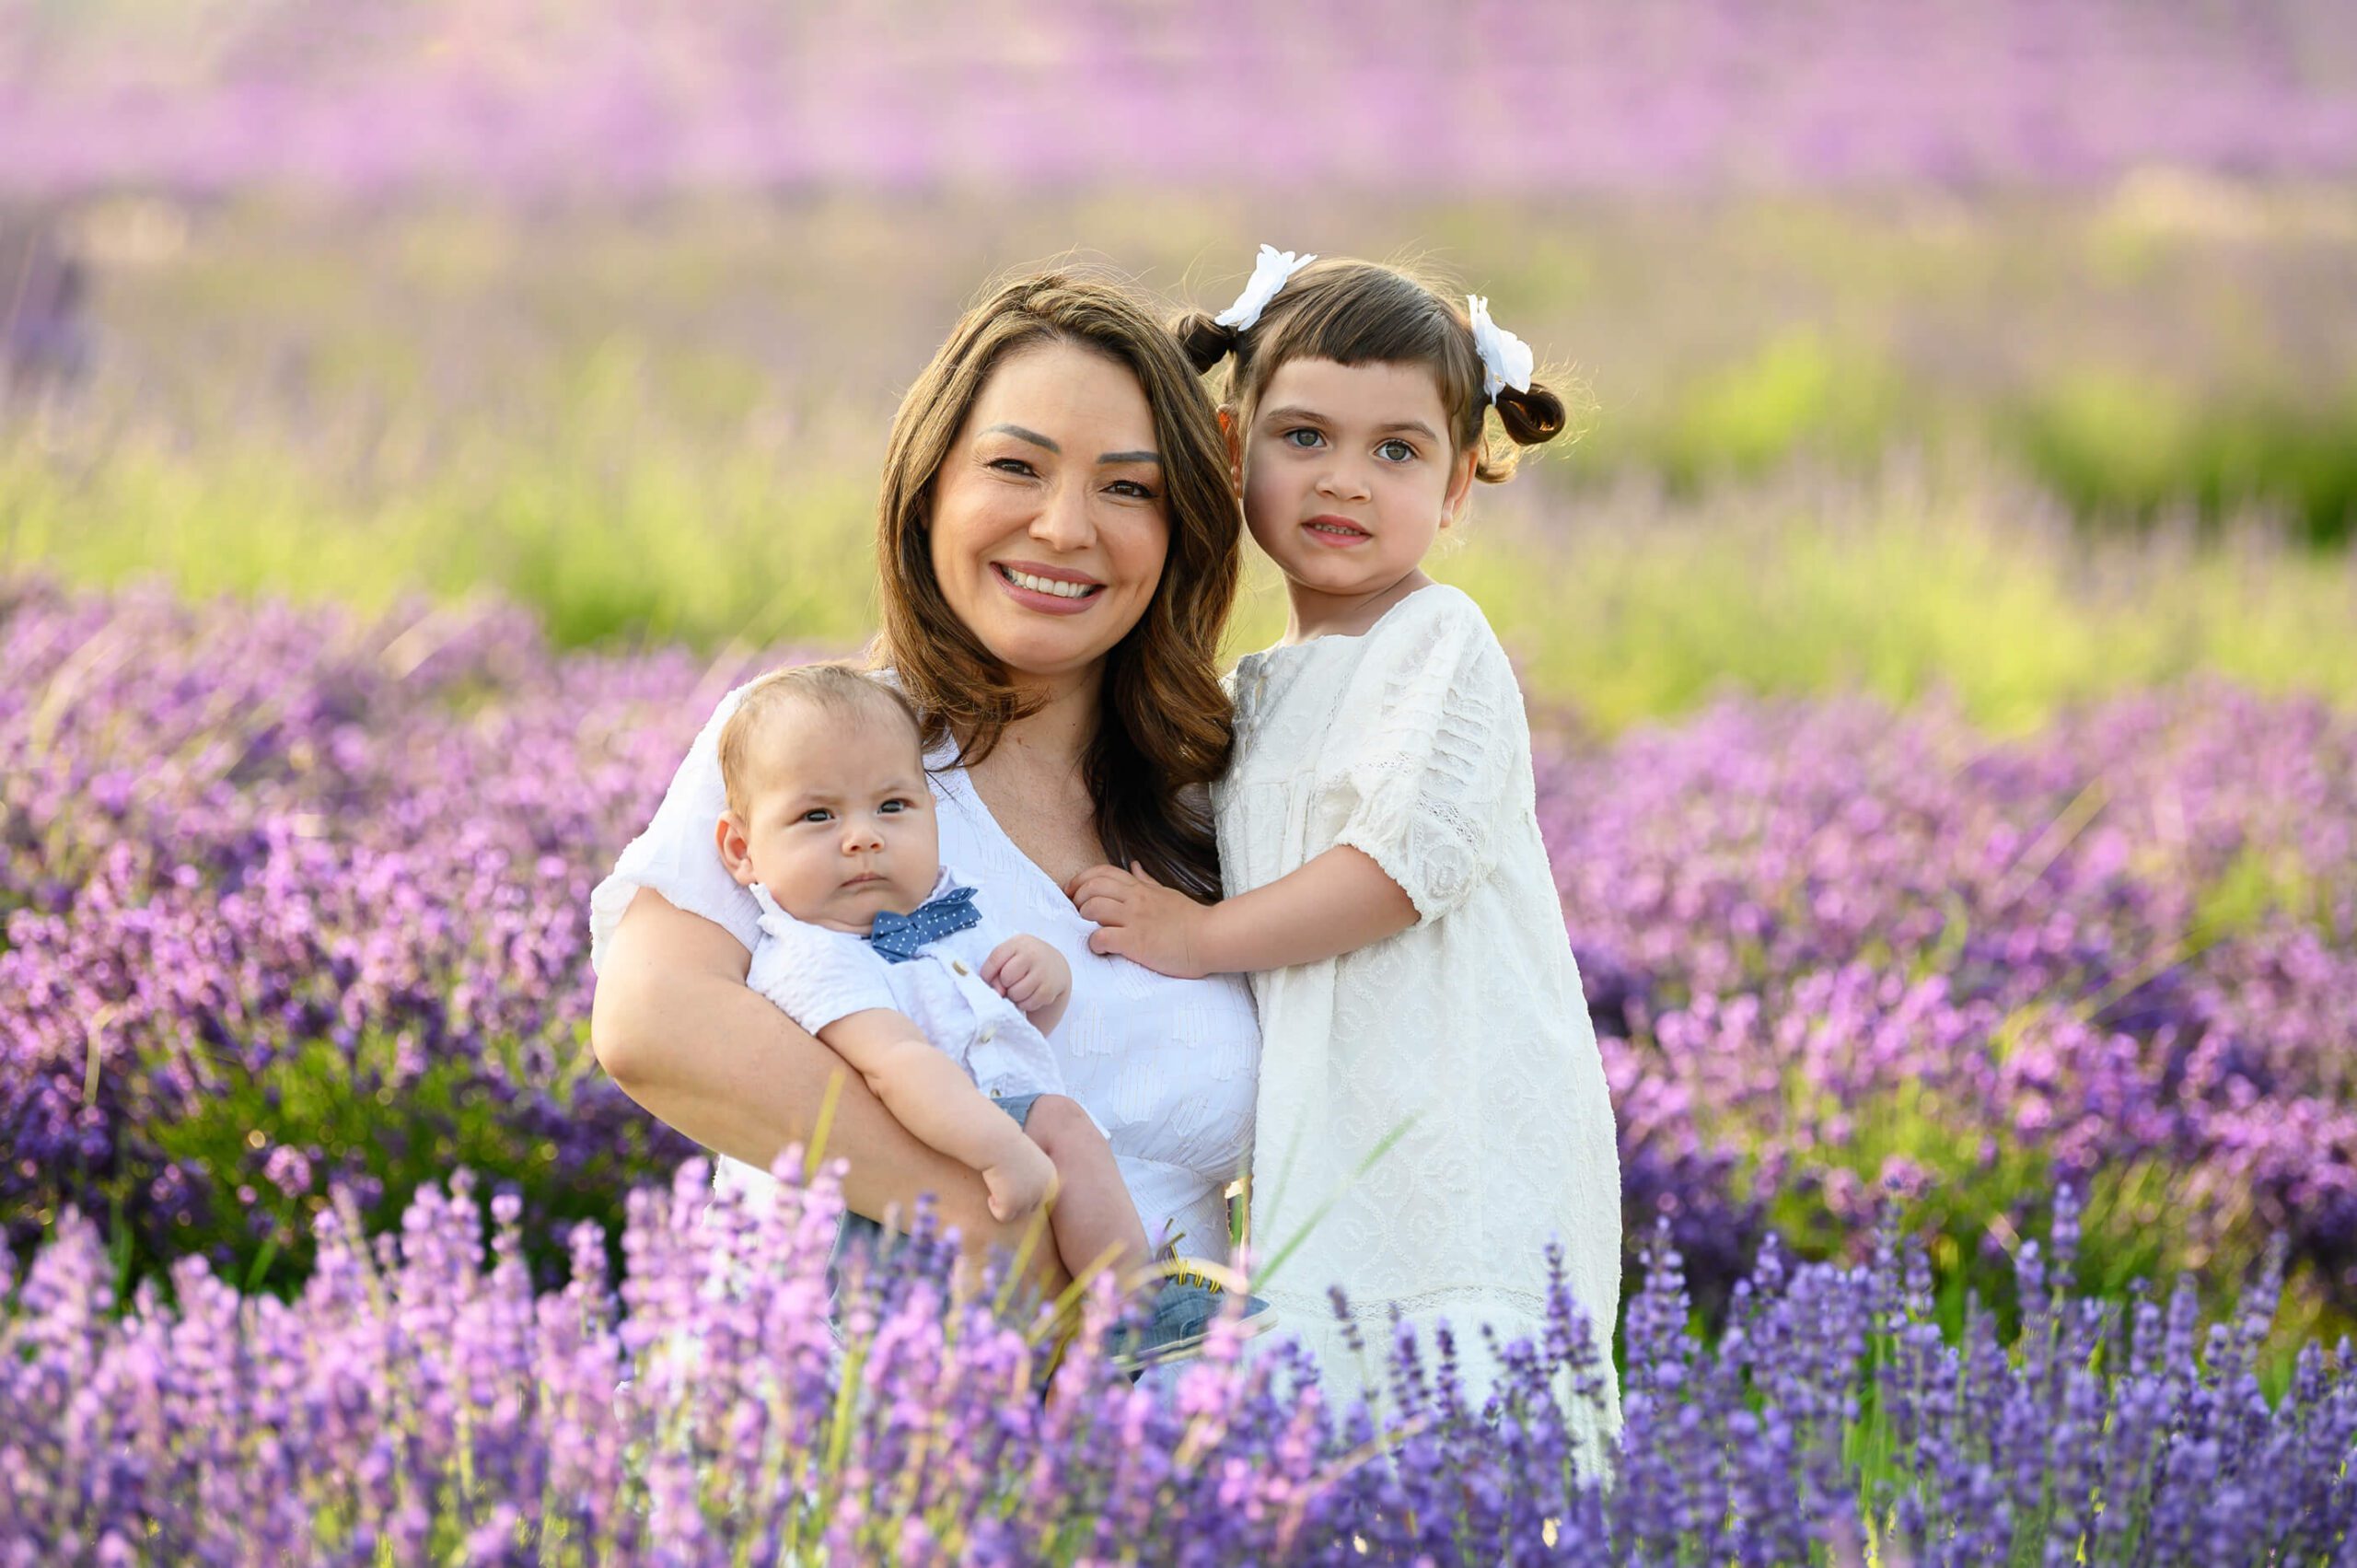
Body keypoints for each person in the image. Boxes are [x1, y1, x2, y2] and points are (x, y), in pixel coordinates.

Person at [587, 272, 1263, 1376]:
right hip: (846, 1408)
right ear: (928, 487)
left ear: (1182, 525)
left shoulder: (1219, 802)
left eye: (1127, 489)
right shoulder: (814, 758)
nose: (1064, 525)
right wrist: (1008, 1239)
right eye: (1015, 465)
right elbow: (654, 1023)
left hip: (1156, 1464)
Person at [1068, 249, 1623, 1443]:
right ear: (1230, 446)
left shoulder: (1439, 642)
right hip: (1333, 1151)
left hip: (1464, 1142)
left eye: (1398, 451)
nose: (1346, 480)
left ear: (1461, 483)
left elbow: (1398, 866)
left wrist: (1200, 936)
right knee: (1347, 1438)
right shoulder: (1256, 692)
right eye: (1305, 435)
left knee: (1476, 1424)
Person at [711, 659, 1271, 1366]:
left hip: (968, 1139)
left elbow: (996, 1033)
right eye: (818, 816)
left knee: (1060, 1127)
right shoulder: (813, 956)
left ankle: (1123, 1311)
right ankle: (1120, 1309)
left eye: (892, 807)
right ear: (741, 848)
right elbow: (898, 1065)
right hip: (891, 1188)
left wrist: (1046, 983)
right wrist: (1003, 1149)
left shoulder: (943, 911)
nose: (862, 837)